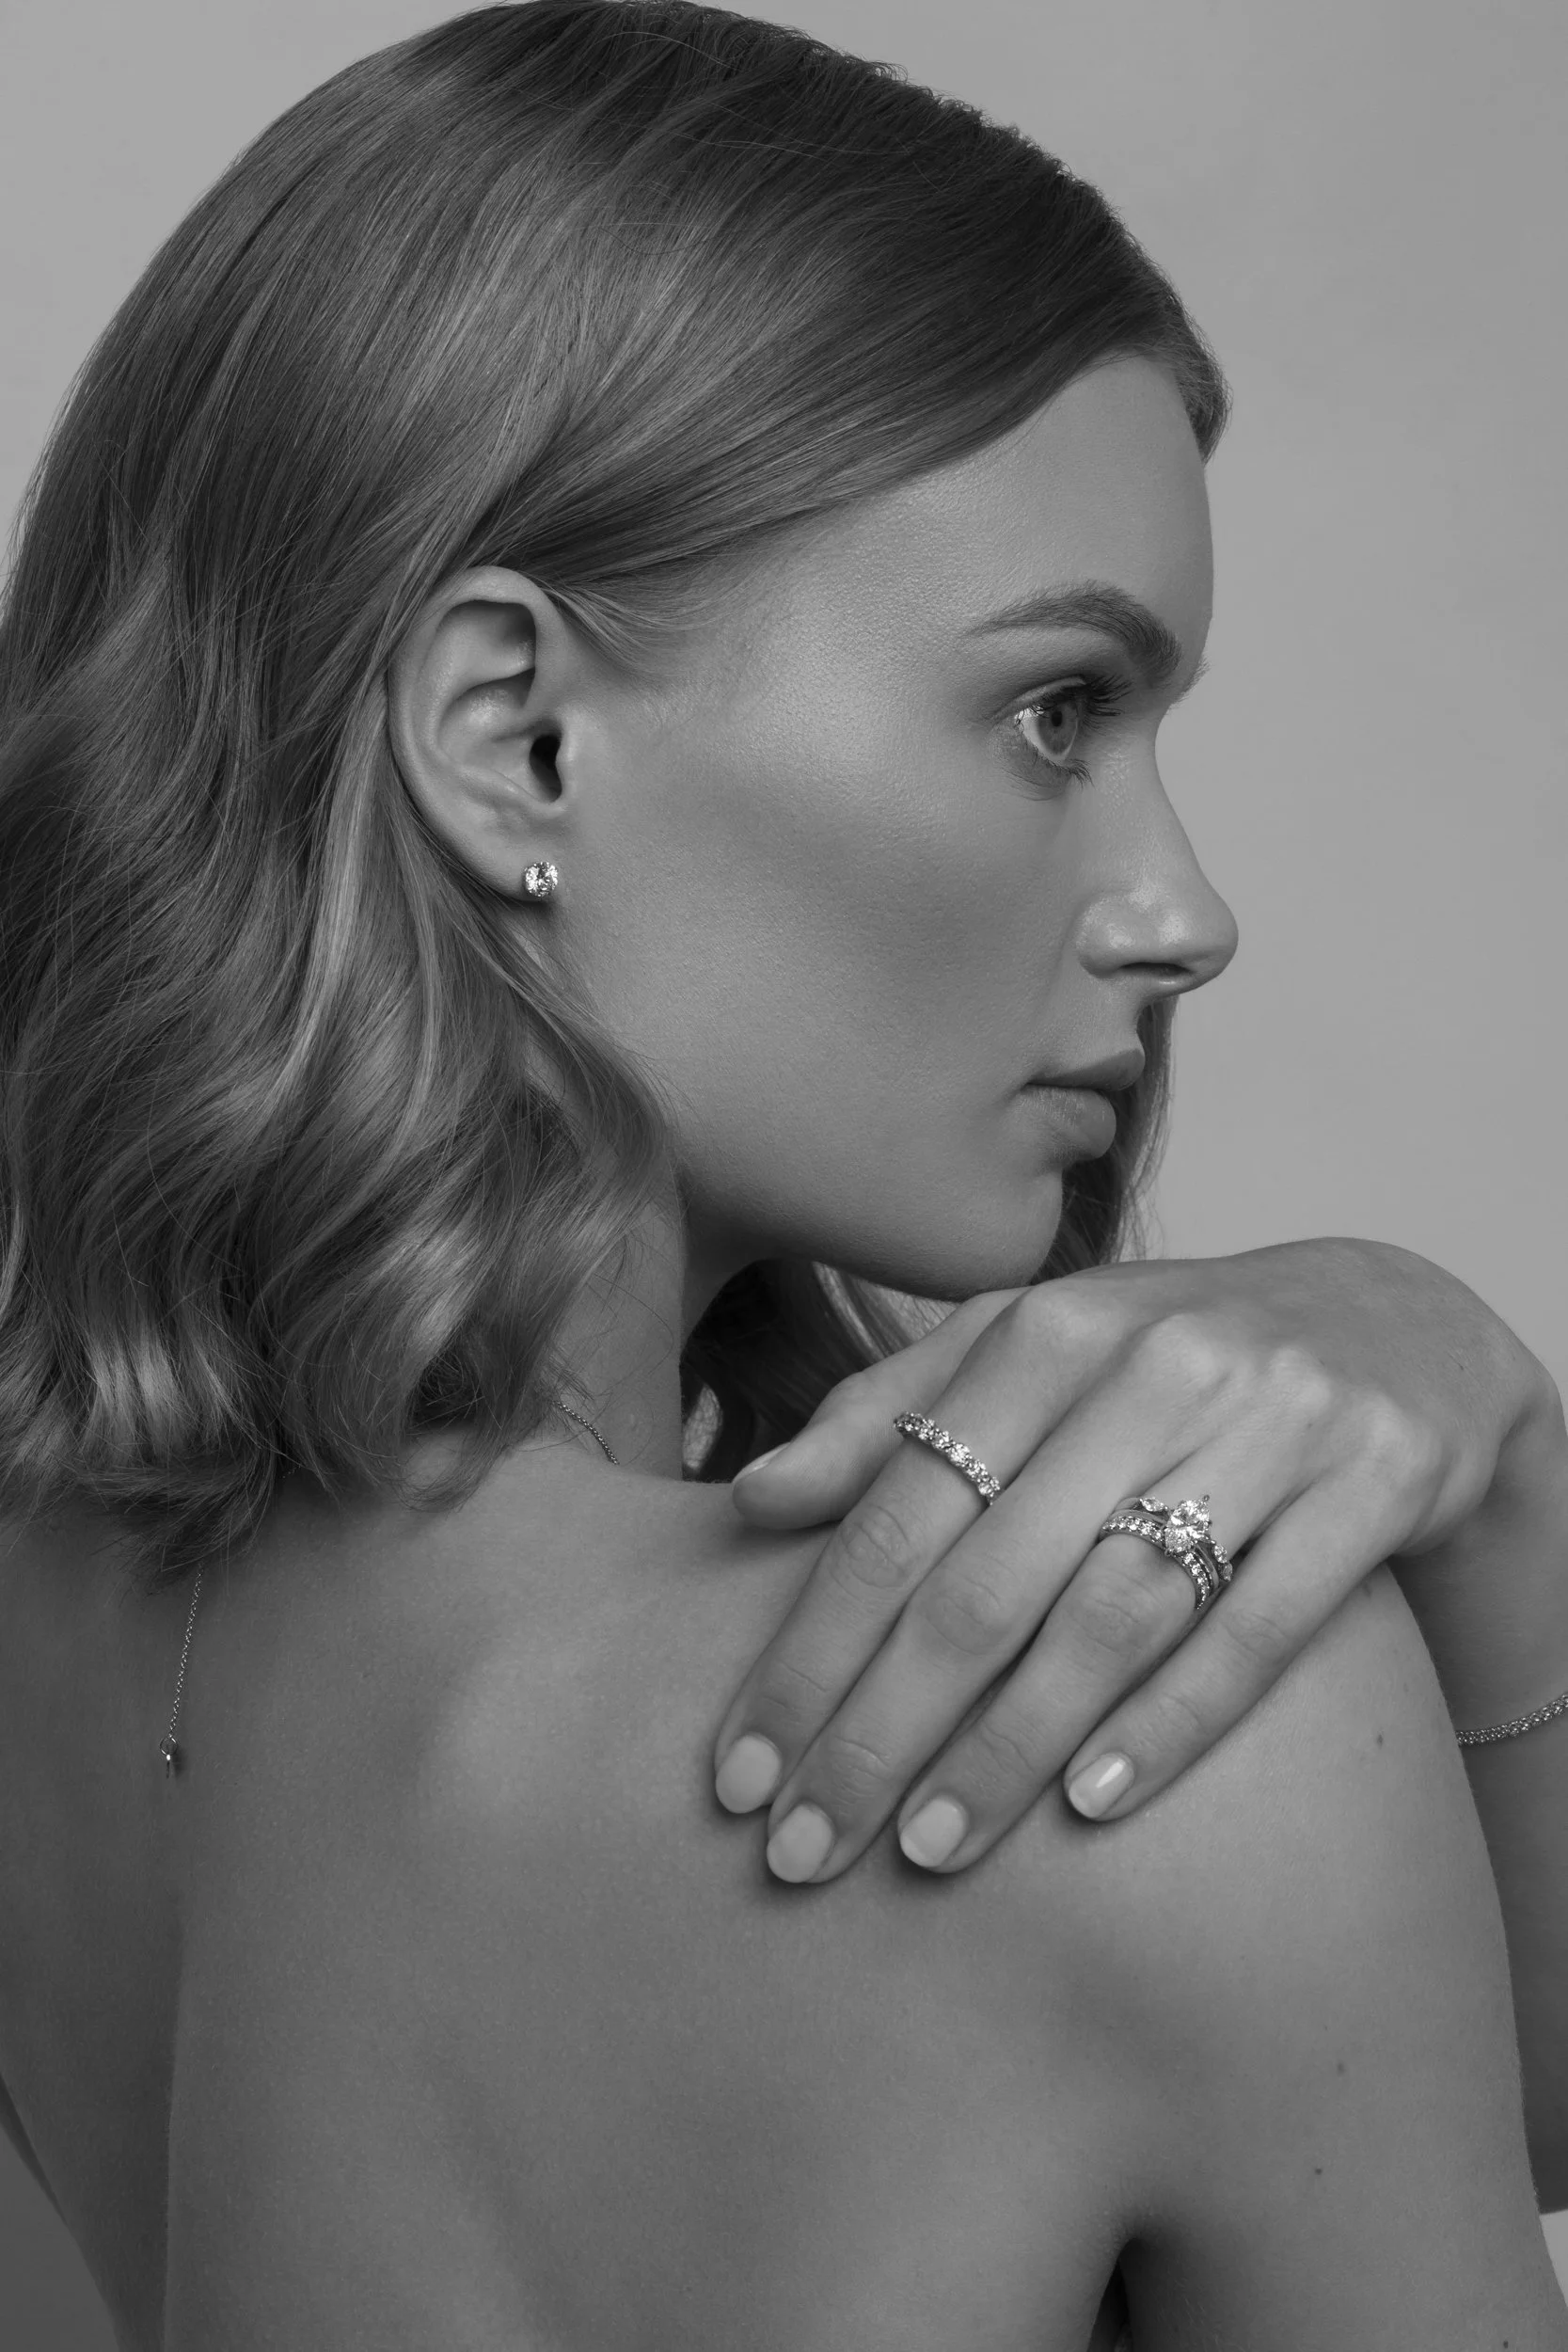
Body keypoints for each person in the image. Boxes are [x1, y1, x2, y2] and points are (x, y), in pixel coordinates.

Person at [0, 3, 1564, 2345]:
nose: (1183, 909)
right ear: (513, 739)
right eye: (1057, 710)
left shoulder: (53, 1610)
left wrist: (1493, 1461)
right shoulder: (1121, 1716)